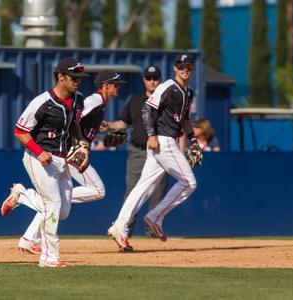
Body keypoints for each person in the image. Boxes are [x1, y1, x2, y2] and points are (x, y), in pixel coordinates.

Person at [12, 70, 126, 255]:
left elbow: (83, 125)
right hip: (70, 152)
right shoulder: (94, 100)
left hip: (73, 151)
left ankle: (28, 237)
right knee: (96, 191)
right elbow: (73, 121)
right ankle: (27, 198)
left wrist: (105, 135)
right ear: (106, 85)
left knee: (57, 205)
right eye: (115, 83)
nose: (118, 87)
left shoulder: (100, 104)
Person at [0, 57, 88, 268]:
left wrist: (82, 142)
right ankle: (49, 257)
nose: (78, 81)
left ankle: (22, 195)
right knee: (53, 204)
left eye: (79, 77)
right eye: (73, 77)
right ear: (60, 77)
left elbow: (75, 124)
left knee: (63, 211)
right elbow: (20, 131)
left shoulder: (78, 100)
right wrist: (39, 152)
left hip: (63, 159)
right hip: (39, 158)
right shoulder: (42, 102)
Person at [107, 53, 199, 251]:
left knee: (143, 188)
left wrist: (193, 141)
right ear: (175, 68)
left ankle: (119, 227)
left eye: (188, 66)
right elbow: (147, 110)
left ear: (192, 69)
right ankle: (155, 216)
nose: (185, 69)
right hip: (164, 141)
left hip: (167, 141)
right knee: (189, 183)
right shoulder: (167, 86)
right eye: (181, 66)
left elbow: (185, 120)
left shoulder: (188, 93)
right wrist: (151, 135)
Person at [106, 65, 169, 238]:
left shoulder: (167, 101)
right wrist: (108, 125)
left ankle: (152, 234)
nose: (152, 81)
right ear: (144, 80)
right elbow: (123, 123)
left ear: (160, 79)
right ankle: (125, 230)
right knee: (132, 191)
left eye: (155, 78)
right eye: (149, 78)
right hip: (138, 151)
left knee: (157, 193)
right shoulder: (135, 101)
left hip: (160, 152)